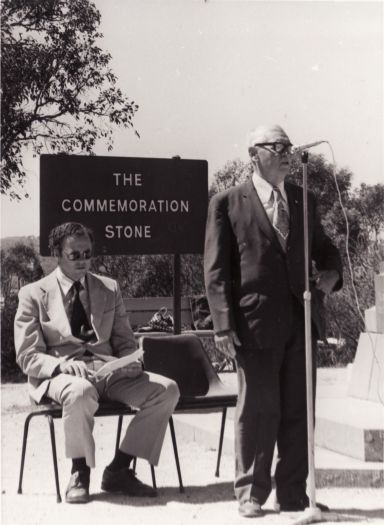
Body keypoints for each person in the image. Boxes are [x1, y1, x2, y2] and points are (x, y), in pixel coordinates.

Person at [204, 125, 342, 518]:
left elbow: (327, 251)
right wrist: (222, 325)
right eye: (276, 147)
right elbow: (215, 271)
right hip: (254, 323)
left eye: (288, 146)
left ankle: (294, 494)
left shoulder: (303, 200)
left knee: (300, 409)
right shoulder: (227, 203)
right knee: (259, 409)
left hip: (301, 318)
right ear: (254, 154)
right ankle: (251, 492)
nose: (286, 152)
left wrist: (331, 275)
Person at [14, 222, 180, 504]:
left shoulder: (108, 288)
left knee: (167, 390)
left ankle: (119, 469)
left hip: (108, 372)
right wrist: (60, 367)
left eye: (87, 253)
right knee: (79, 392)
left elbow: (125, 340)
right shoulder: (33, 294)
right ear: (57, 254)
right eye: (74, 254)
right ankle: (79, 472)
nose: (82, 260)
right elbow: (27, 354)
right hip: (61, 375)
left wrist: (130, 362)